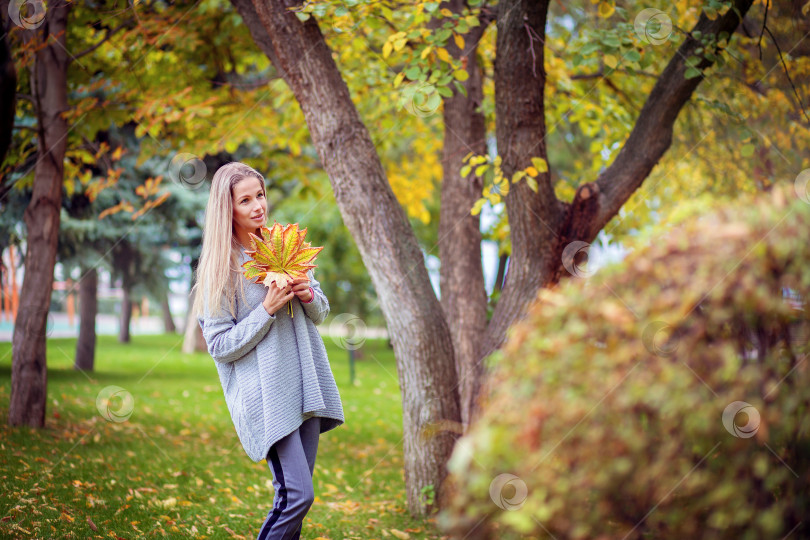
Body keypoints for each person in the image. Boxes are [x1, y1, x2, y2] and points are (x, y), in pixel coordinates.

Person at [191, 162, 345, 539]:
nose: (258, 205)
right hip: (266, 396)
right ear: (228, 209)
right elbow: (220, 346)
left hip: (305, 384)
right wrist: (266, 309)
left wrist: (307, 291)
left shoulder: (283, 244)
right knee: (297, 496)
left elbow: (320, 312)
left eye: (259, 195)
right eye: (245, 200)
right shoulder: (221, 269)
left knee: (294, 498)